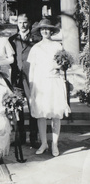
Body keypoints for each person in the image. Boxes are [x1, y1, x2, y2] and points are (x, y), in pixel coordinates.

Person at [27, 18, 71, 157]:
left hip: (54, 81)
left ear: (51, 31)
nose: (45, 31)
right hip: (41, 83)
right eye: (42, 29)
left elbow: (64, 65)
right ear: (40, 31)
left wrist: (60, 66)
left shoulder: (58, 46)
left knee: (55, 114)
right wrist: (32, 86)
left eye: (47, 29)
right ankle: (44, 143)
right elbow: (32, 68)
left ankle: (54, 144)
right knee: (41, 115)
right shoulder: (35, 48)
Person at [9, 13, 42, 148]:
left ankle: (33, 137)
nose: (22, 25)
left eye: (25, 23)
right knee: (17, 108)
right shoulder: (12, 39)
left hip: (31, 77)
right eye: (20, 23)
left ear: (29, 24)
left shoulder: (36, 40)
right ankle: (20, 137)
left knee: (33, 105)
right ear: (17, 24)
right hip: (17, 78)